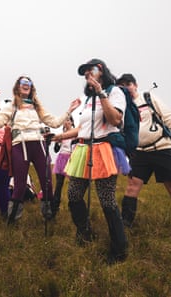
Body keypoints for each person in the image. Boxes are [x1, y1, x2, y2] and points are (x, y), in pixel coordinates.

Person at [54, 58, 128, 264]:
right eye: (84, 73)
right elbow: (83, 128)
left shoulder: (115, 92)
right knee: (74, 194)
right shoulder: (88, 100)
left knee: (107, 199)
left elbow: (115, 120)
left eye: (90, 71)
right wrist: (59, 136)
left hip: (103, 148)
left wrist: (101, 93)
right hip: (83, 149)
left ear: (101, 70)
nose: (87, 75)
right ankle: (85, 232)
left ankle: (119, 249)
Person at [0, 78, 81, 225]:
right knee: (19, 185)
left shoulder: (37, 106)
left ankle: (49, 217)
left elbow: (55, 122)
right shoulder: (12, 105)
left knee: (47, 182)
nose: (26, 85)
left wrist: (69, 110)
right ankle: (12, 221)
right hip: (20, 145)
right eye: (23, 83)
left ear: (32, 88)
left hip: (39, 144)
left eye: (29, 83)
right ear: (17, 87)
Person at [116, 73, 171, 228]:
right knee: (132, 186)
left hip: (161, 149)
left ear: (135, 85)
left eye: (128, 84)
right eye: (122, 86)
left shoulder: (148, 98)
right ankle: (125, 225)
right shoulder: (121, 107)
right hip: (139, 153)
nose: (126, 88)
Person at [52, 116, 75, 213]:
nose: (66, 122)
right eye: (65, 120)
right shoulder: (61, 134)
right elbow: (56, 150)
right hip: (61, 158)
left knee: (73, 184)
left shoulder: (75, 133)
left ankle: (73, 205)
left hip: (71, 159)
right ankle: (55, 207)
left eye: (68, 120)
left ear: (72, 122)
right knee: (59, 184)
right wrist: (57, 143)